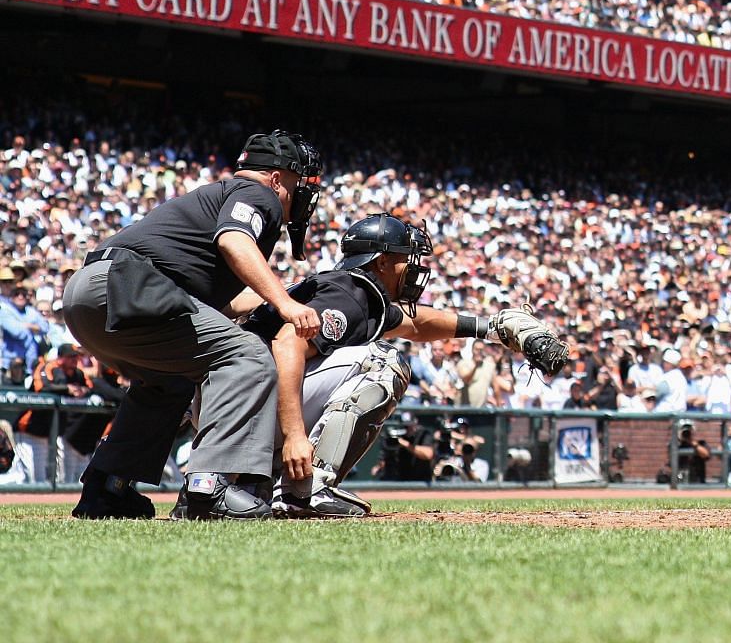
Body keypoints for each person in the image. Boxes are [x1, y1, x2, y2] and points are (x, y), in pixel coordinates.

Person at [62, 129, 326, 521]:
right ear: (275, 177)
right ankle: (209, 487)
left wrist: (288, 296)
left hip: (91, 292)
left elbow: (226, 300)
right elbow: (235, 241)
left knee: (169, 381)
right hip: (130, 286)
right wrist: (284, 303)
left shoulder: (217, 198)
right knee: (248, 357)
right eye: (298, 181)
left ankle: (107, 488)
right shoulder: (259, 194)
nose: (303, 191)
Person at [243, 213, 569, 517]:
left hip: (237, 404)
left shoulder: (350, 289)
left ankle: (260, 483)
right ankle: (307, 490)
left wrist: (489, 329)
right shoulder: (352, 294)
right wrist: (295, 435)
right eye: (405, 259)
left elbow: (416, 324)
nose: (414, 268)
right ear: (382, 261)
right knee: (383, 362)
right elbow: (287, 343)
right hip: (251, 404)